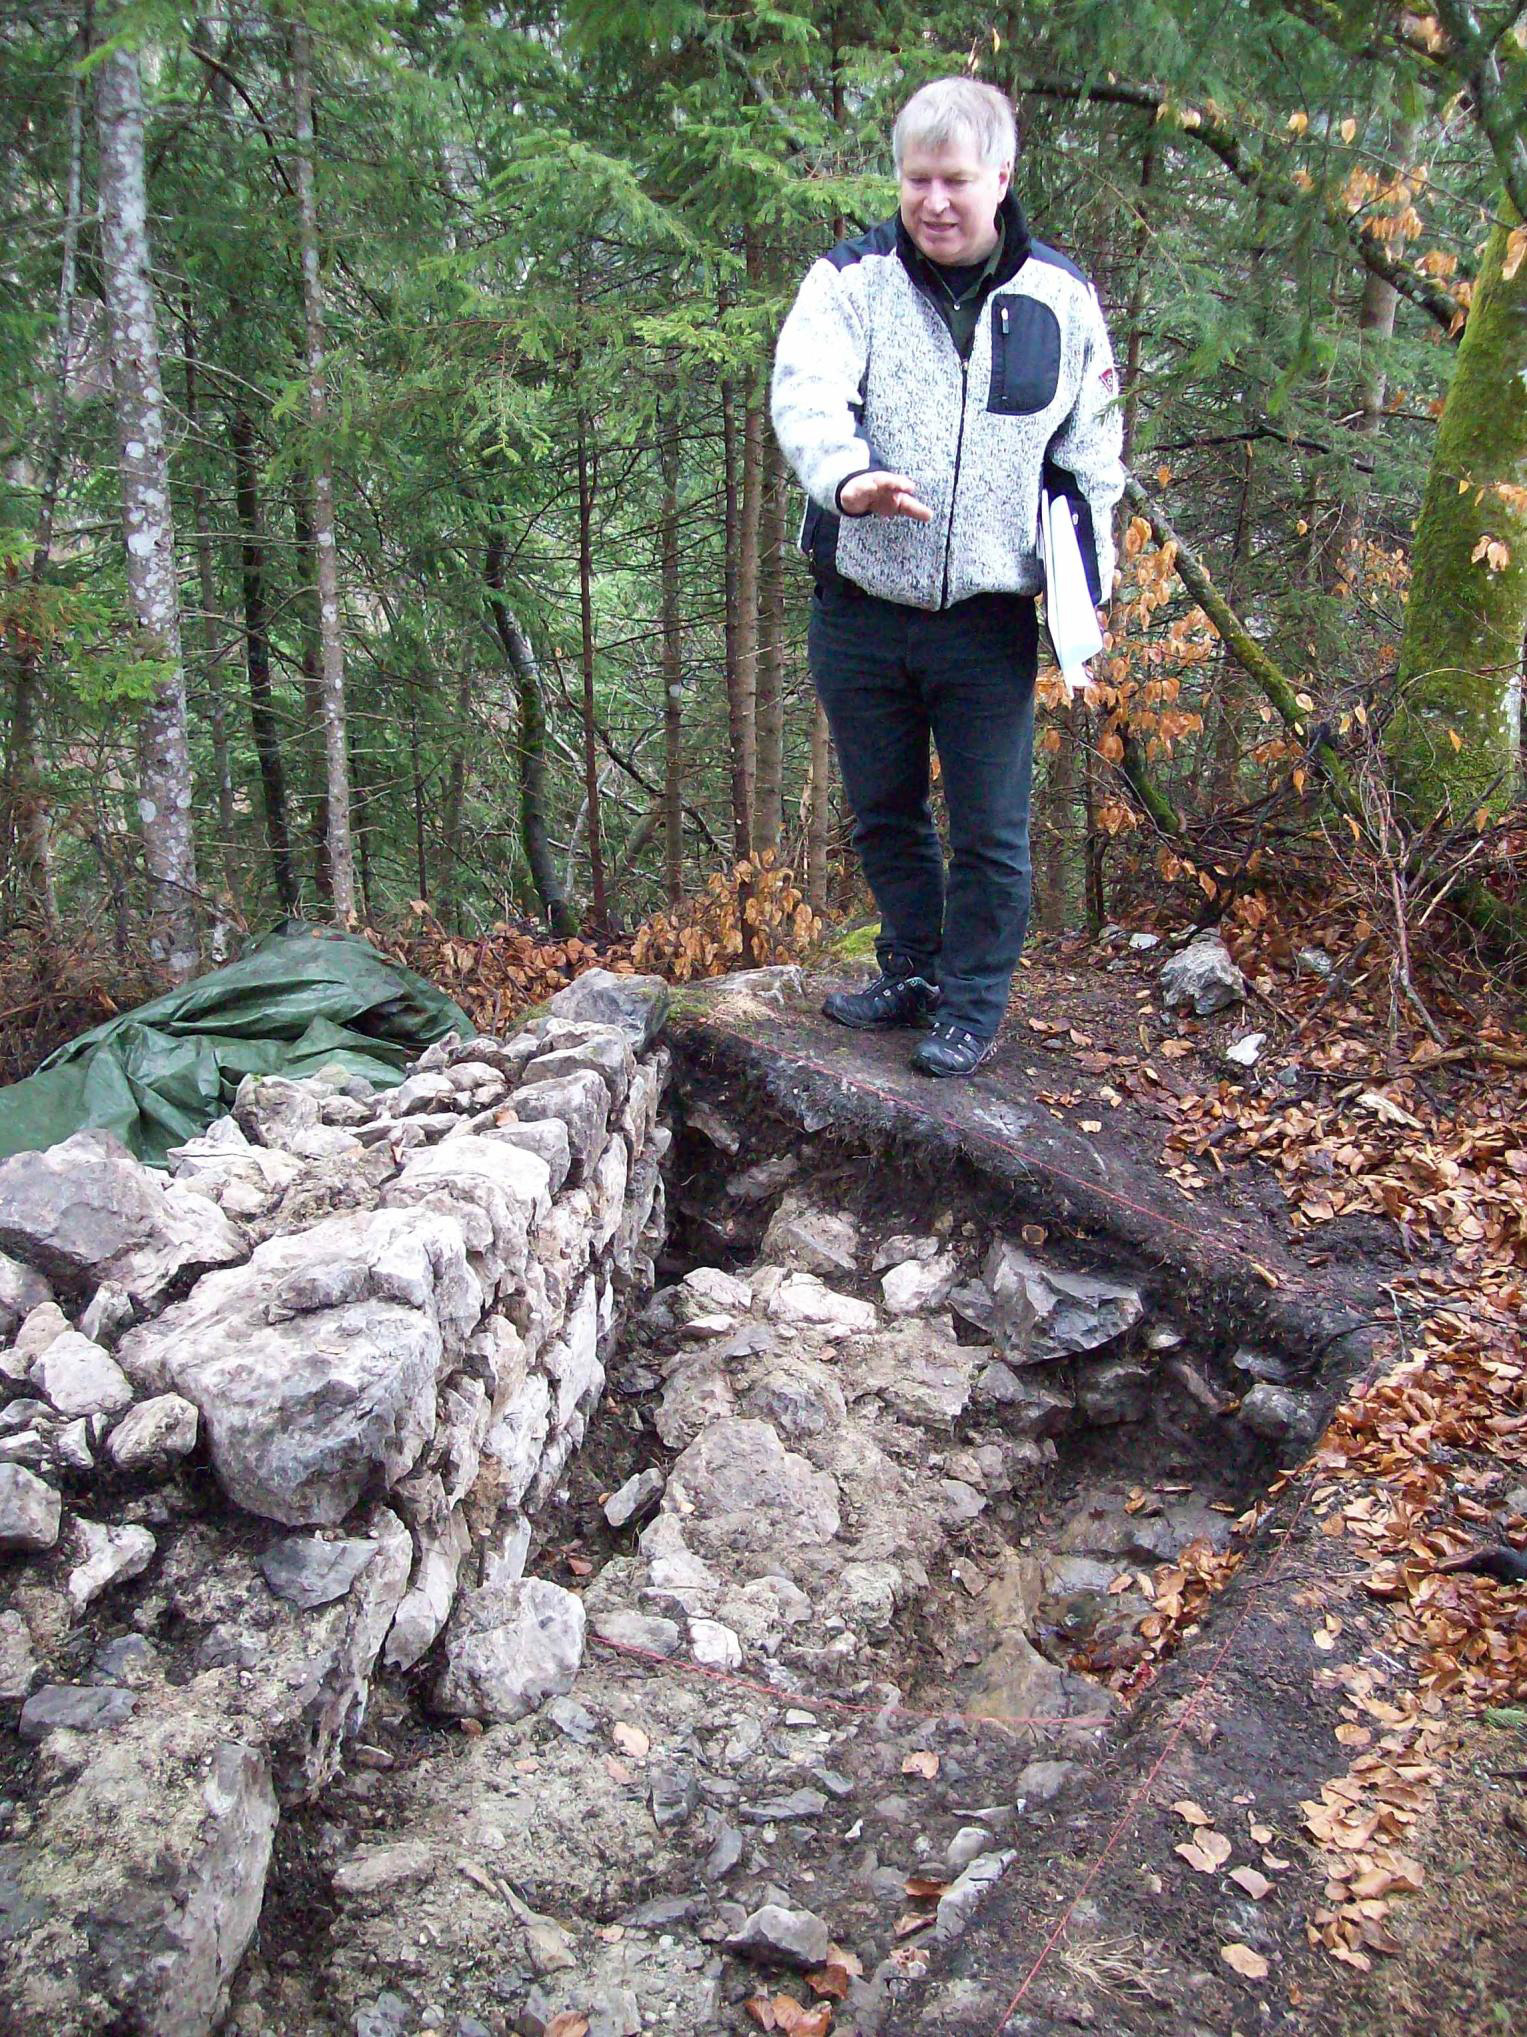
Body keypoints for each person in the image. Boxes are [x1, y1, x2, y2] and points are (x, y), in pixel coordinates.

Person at [771, 76, 1124, 1076]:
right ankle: (914, 968)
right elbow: (805, 397)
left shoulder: (1059, 298)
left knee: (991, 834)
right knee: (883, 811)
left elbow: (1094, 456)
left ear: (1000, 179)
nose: (934, 200)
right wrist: (848, 481)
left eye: (955, 180)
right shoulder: (850, 282)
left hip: (990, 615)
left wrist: (1084, 606)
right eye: (917, 179)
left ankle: (970, 1008)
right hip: (861, 602)